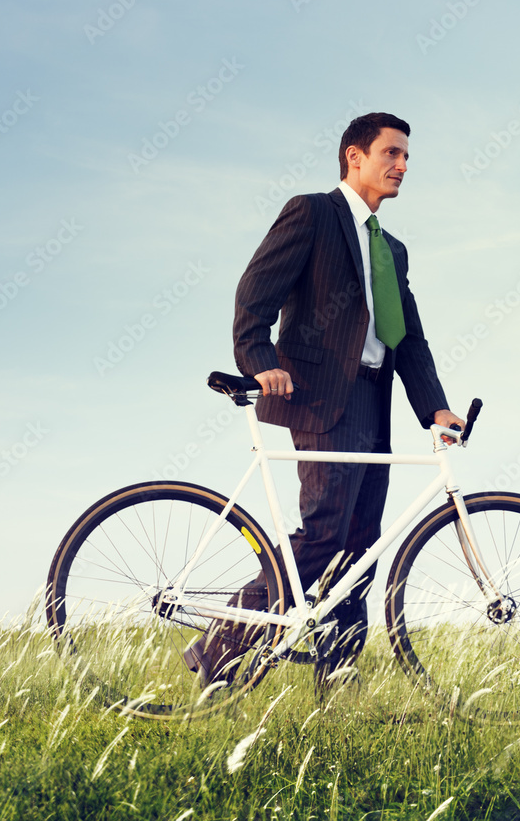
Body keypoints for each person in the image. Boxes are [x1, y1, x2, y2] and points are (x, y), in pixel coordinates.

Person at [186, 112, 464, 690]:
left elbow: (407, 334)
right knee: (326, 531)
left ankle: (336, 680)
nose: (403, 166)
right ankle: (217, 650)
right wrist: (261, 362)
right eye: (391, 154)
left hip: (372, 400)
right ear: (354, 158)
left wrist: (434, 405)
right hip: (316, 396)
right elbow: (253, 294)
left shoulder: (394, 250)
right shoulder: (312, 213)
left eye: (407, 157)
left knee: (361, 545)